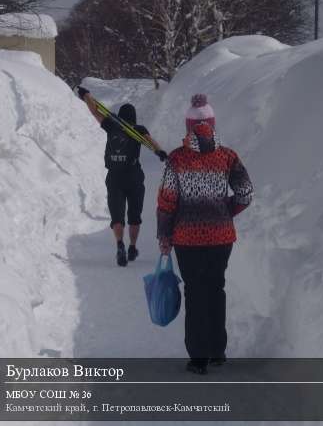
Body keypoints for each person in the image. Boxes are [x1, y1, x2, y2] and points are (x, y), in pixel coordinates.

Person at [156, 94, 253, 375]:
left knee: (195, 293)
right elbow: (246, 194)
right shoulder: (228, 156)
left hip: (187, 240)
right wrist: (224, 213)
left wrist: (164, 236)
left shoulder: (177, 158)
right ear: (212, 123)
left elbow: (166, 202)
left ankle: (198, 358)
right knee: (216, 289)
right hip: (221, 239)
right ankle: (217, 351)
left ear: (188, 126)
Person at [77, 86, 167, 266]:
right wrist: (160, 152)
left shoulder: (111, 125)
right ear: (133, 117)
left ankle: (120, 244)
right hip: (134, 176)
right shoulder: (139, 130)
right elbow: (151, 142)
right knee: (135, 215)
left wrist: (86, 95)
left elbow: (95, 110)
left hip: (114, 177)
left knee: (117, 215)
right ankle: (133, 246)